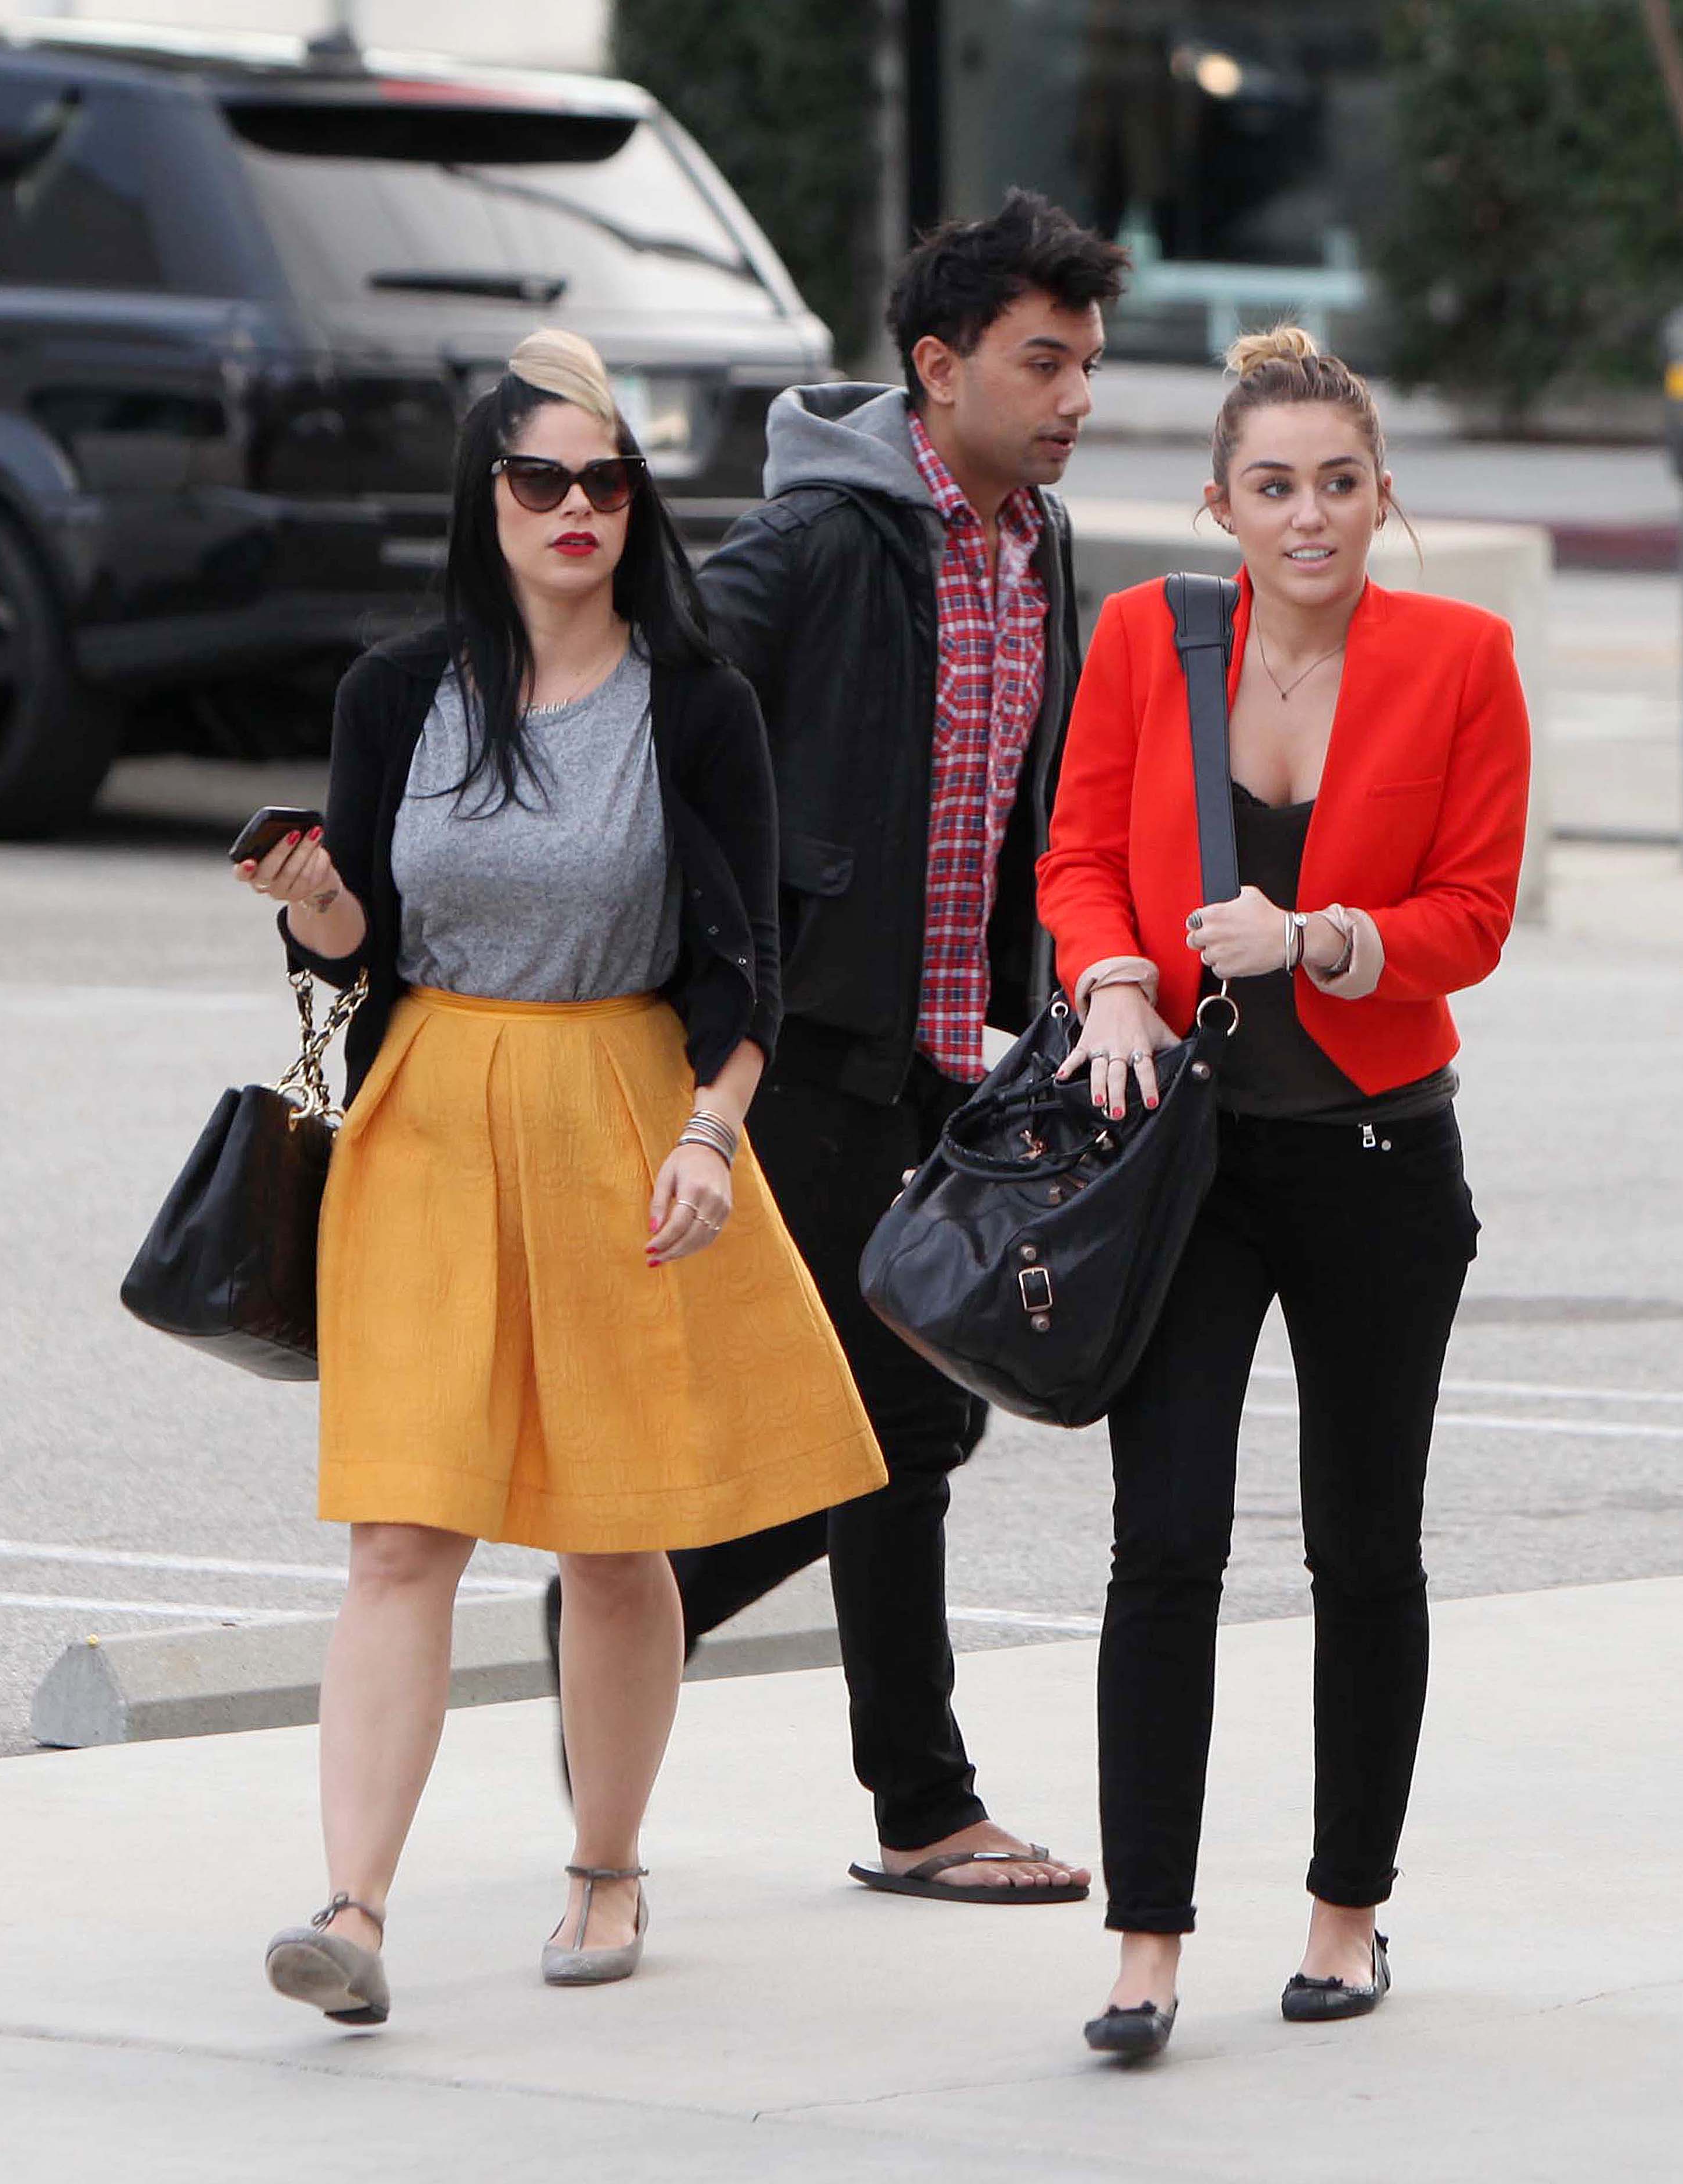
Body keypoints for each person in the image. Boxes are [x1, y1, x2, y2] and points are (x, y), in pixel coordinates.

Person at [239, 328, 884, 2024]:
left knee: (612, 1534)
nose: (577, 507)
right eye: (541, 479)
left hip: (621, 1107)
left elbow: (749, 969)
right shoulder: (396, 694)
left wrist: (710, 1132)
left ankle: (607, 1861)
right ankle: (353, 1912)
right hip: (430, 1118)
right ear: (488, 498)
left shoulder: (698, 704)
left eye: (607, 480)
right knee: (401, 1535)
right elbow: (357, 959)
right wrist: (318, 904)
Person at [1035, 326, 1531, 2054]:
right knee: (1163, 1545)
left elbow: (1474, 914)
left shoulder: (1463, 658)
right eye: (1274, 487)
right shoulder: (1146, 639)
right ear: (1221, 504)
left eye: (1337, 484)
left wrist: (1319, 938)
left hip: (1380, 1158)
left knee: (1363, 1547)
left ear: (1382, 496)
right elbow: (1078, 858)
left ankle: (1345, 1917)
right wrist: (1110, 982)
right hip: (1186, 1165)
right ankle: (1145, 1946)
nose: (1308, 516)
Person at [635, 190, 1132, 1904]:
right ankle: (916, 1803)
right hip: (807, 1058)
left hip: (944, 1063)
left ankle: (630, 1616)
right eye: (1042, 363)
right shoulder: (821, 542)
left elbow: (1022, 798)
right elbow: (654, 718)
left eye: (1087, 364)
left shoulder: (1032, 541)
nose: (1076, 398)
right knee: (896, 1431)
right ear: (938, 366)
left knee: (894, 1427)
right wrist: (742, 949)